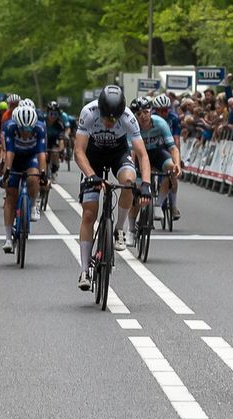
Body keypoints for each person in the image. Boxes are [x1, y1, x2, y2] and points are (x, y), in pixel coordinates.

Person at [72, 85, 151, 291]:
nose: (110, 122)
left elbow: (142, 155)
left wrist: (146, 186)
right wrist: (91, 176)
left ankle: (119, 230)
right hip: (93, 157)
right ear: (100, 110)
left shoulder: (128, 117)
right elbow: (79, 151)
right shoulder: (88, 113)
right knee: (89, 213)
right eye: (107, 117)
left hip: (118, 154)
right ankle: (84, 270)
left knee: (128, 181)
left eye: (114, 119)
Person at [129, 97, 182, 245]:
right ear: (134, 116)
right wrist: (133, 172)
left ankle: (158, 204)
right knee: (137, 193)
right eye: (139, 114)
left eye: (146, 112)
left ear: (151, 111)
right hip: (140, 156)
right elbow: (132, 154)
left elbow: (173, 148)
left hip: (157, 153)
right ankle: (131, 229)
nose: (143, 116)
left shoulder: (160, 123)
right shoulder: (132, 126)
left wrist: (177, 164)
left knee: (170, 169)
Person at [0, 103, 48, 254]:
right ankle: (8, 238)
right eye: (23, 129)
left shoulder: (39, 128)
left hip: (31, 157)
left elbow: (41, 154)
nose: (26, 132)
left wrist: (43, 173)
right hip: (15, 158)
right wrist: (7, 171)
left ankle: (33, 206)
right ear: (17, 125)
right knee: (10, 196)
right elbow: (9, 153)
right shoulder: (10, 127)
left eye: (29, 129)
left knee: (34, 177)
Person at [152, 93, 183, 220]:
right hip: (155, 147)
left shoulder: (174, 118)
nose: (163, 113)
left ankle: (174, 206)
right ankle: (149, 205)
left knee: (173, 175)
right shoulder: (151, 118)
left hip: (168, 147)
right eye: (159, 110)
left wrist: (178, 160)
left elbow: (176, 139)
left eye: (165, 110)